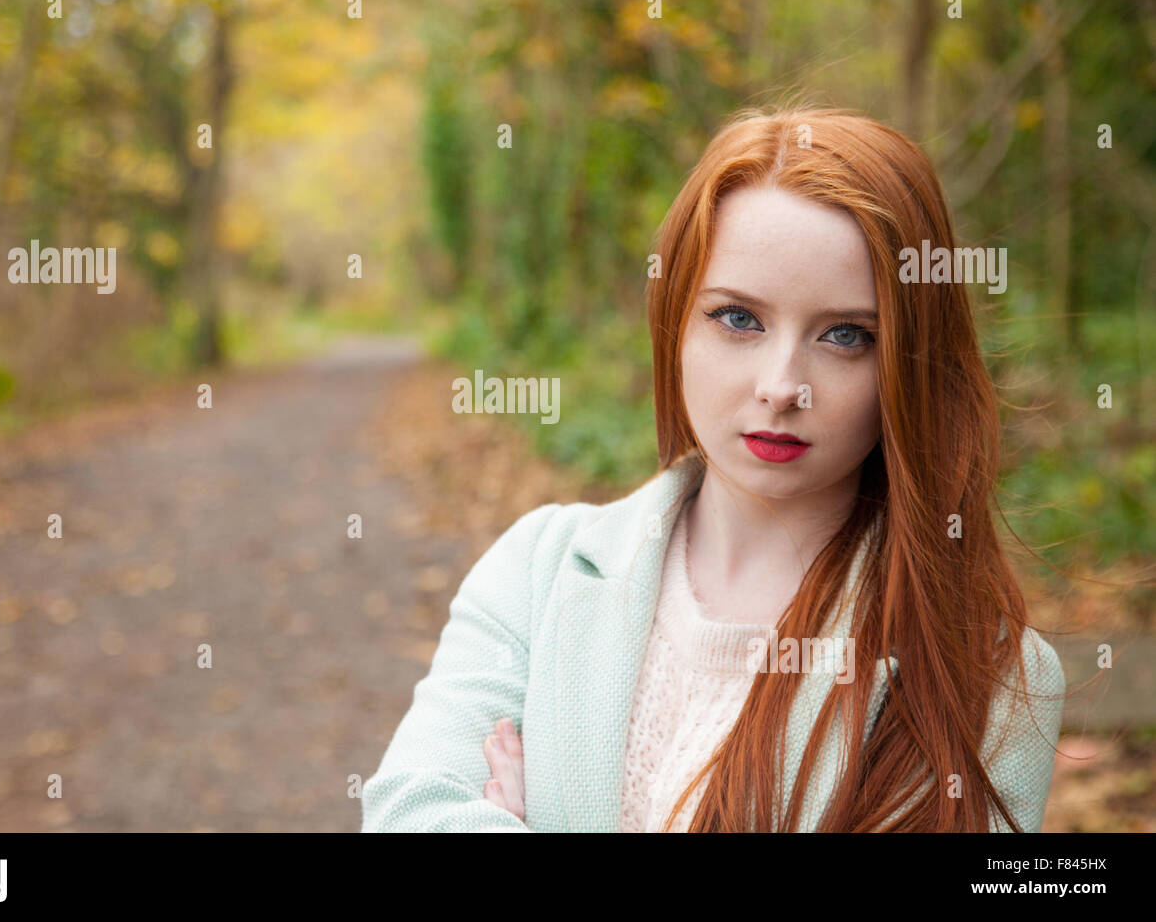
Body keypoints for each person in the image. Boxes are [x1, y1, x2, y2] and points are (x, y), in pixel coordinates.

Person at [361, 104, 1067, 832]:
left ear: (910, 363)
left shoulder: (988, 675)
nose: (780, 384)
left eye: (846, 335)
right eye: (738, 319)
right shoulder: (538, 572)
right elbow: (411, 811)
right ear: (675, 319)